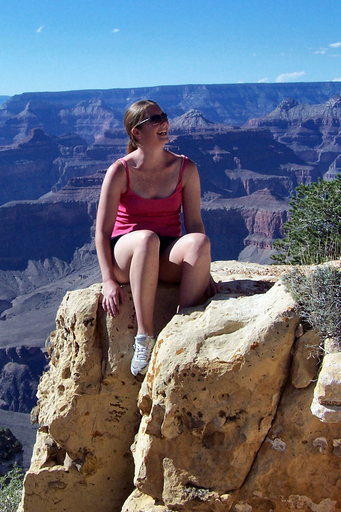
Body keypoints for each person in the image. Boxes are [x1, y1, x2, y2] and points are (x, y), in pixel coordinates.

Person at [95, 99, 216, 376]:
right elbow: (102, 232)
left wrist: (202, 270)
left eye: (164, 116)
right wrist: (108, 280)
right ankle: (144, 338)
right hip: (126, 256)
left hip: (164, 255)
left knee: (200, 243)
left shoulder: (185, 168)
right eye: (155, 119)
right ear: (136, 132)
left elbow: (195, 224)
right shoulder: (120, 171)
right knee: (146, 238)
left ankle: (180, 329)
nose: (164, 123)